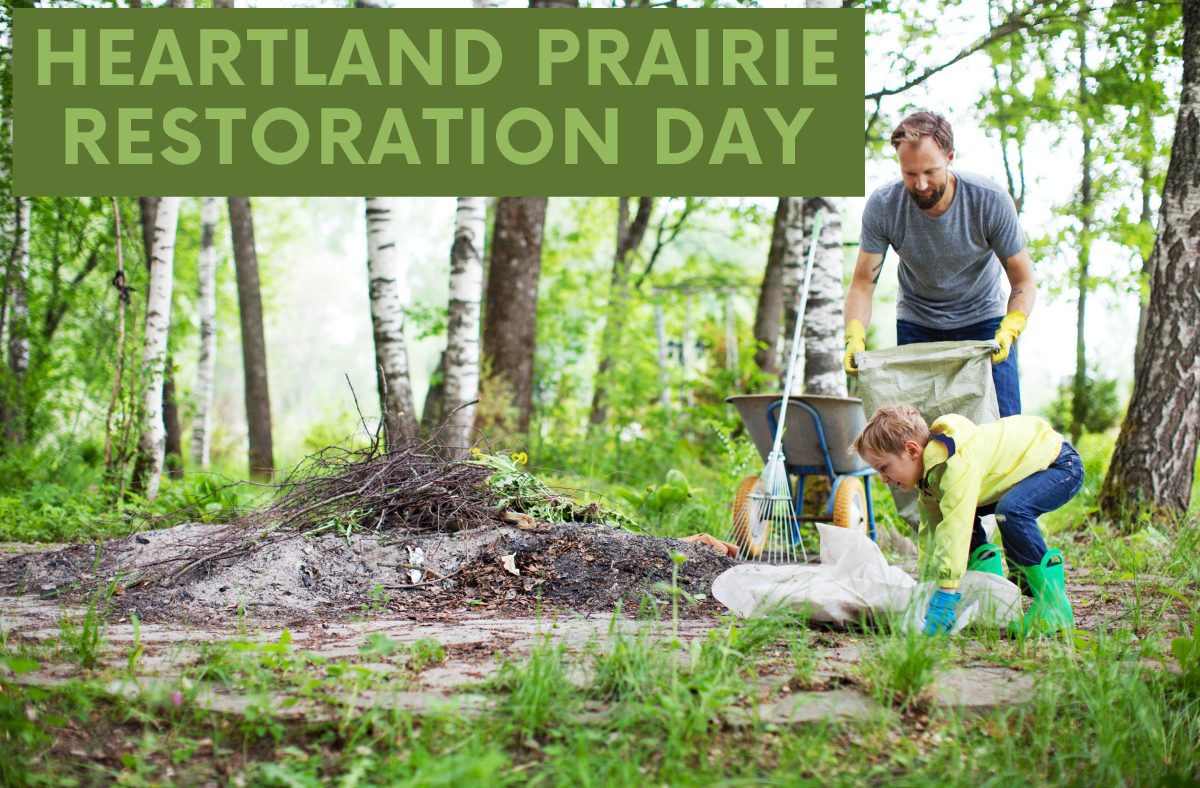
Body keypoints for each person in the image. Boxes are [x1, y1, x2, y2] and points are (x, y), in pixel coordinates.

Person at [843, 111, 1036, 419]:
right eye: (909, 174)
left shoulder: (990, 200)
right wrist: (855, 335)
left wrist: (1010, 329)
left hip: (985, 324)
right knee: (917, 436)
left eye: (930, 172)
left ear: (950, 157)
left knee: (1002, 429)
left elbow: (1023, 279)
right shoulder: (884, 206)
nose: (920, 184)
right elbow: (863, 284)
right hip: (918, 325)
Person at [850, 403, 1084, 636]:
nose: (883, 479)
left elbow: (956, 531)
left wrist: (944, 600)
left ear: (912, 451)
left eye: (884, 468)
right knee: (951, 516)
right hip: (1019, 475)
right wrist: (927, 592)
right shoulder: (930, 484)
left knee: (1011, 510)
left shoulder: (955, 463)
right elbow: (932, 536)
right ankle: (993, 593)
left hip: (1058, 463)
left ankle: (1055, 608)